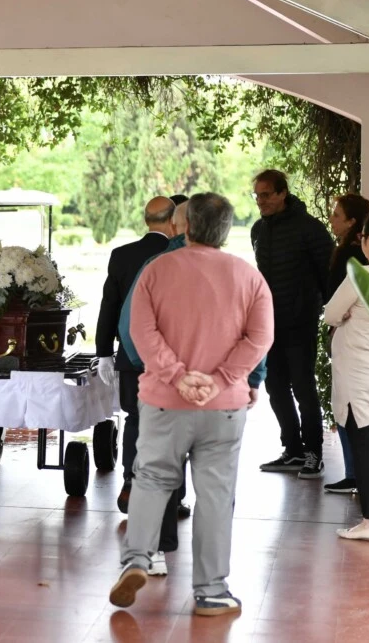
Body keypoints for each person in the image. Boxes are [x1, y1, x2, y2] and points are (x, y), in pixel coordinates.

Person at [110, 193, 273, 617]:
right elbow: (260, 338)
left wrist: (177, 376)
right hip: (224, 406)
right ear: (226, 230)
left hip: (165, 401)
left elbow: (139, 332)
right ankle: (212, 591)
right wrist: (222, 379)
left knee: (151, 479)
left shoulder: (156, 269)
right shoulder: (249, 277)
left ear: (186, 226)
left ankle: (137, 560)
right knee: (216, 492)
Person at [94, 196, 175, 512]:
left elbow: (109, 305)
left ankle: (131, 481)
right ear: (173, 222)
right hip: (170, 354)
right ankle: (170, 494)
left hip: (130, 352)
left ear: (146, 220)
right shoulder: (179, 254)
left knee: (136, 418)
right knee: (171, 422)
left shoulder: (122, 255)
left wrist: (104, 352)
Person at [251, 169, 333, 479]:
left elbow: (328, 276)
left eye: (266, 195)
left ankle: (313, 453)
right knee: (274, 387)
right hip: (269, 325)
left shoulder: (310, 228)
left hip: (300, 324)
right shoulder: (258, 229)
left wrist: (324, 314)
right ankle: (294, 450)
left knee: (303, 388)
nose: (261, 201)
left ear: (283, 193)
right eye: (257, 195)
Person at [324, 207, 369, 540]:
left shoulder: (362, 277)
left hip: (360, 377)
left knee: (364, 447)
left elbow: (331, 314)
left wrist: (348, 315)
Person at [323, 193, 369, 494]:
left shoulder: (348, 256)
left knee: (344, 404)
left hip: (348, 336)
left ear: (353, 222)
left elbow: (333, 308)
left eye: (337, 215)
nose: (331, 219)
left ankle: (354, 473)